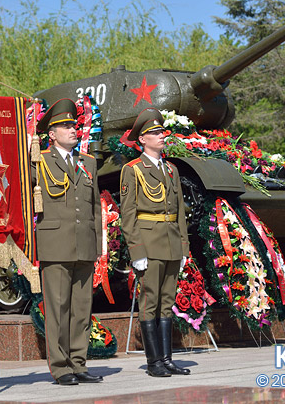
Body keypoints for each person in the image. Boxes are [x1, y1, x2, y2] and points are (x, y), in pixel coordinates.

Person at [34, 98, 103, 386]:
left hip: (84, 243)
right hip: (55, 244)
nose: (73, 129)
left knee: (81, 309)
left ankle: (79, 362)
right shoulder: (39, 160)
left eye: (73, 124)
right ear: (51, 134)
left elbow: (95, 207)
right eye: (64, 126)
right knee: (58, 309)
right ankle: (60, 366)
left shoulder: (88, 163)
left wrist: (98, 245)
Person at [120, 108, 190, 377]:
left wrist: (183, 247)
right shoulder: (133, 170)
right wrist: (136, 250)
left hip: (172, 243)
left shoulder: (171, 169)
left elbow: (180, 212)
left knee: (167, 301)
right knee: (150, 302)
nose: (162, 136)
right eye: (156, 133)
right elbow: (128, 215)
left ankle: (167, 358)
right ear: (143, 139)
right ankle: (153, 362)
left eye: (162, 131)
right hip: (149, 243)